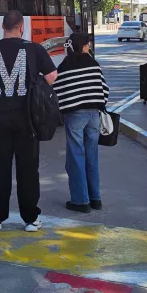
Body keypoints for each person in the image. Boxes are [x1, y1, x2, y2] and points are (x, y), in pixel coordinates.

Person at [0, 10, 57, 232]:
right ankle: (30, 219)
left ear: (2, 26)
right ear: (22, 27)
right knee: (28, 169)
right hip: (27, 121)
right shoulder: (35, 50)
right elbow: (52, 77)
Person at [53, 32, 108, 213]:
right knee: (92, 156)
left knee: (76, 156)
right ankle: (95, 198)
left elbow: (57, 90)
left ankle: (80, 201)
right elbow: (104, 89)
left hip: (75, 115)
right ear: (82, 46)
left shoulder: (65, 65)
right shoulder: (94, 64)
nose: (89, 47)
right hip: (94, 114)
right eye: (87, 45)